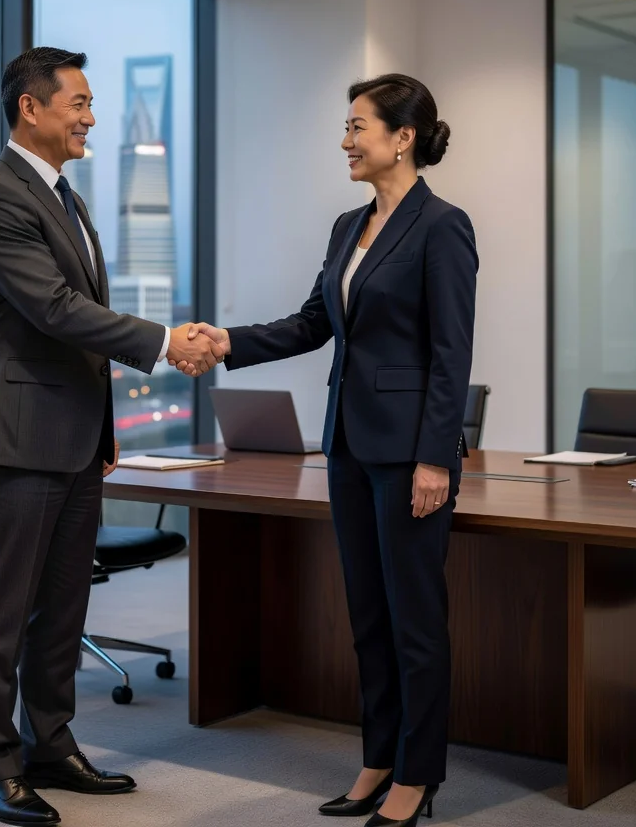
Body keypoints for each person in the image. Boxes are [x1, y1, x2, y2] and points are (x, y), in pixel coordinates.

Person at [180, 74, 478, 827]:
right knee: (368, 615)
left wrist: (437, 458)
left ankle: (418, 774)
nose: (345, 141)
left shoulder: (443, 227)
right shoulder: (349, 226)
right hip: (346, 443)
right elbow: (315, 322)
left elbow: (451, 355)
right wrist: (228, 342)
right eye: (345, 128)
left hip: (410, 452)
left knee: (415, 619)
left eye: (358, 127)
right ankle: (378, 756)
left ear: (402, 137)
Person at [0, 46, 222, 826]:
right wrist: (166, 339)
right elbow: (54, 310)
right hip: (19, 434)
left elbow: (74, 321)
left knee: (62, 608)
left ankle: (51, 743)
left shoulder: (64, 197)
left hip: (73, 437)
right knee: (2, 614)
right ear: (30, 109)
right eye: (77, 103)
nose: (90, 118)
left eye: (91, 102)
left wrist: (104, 426)